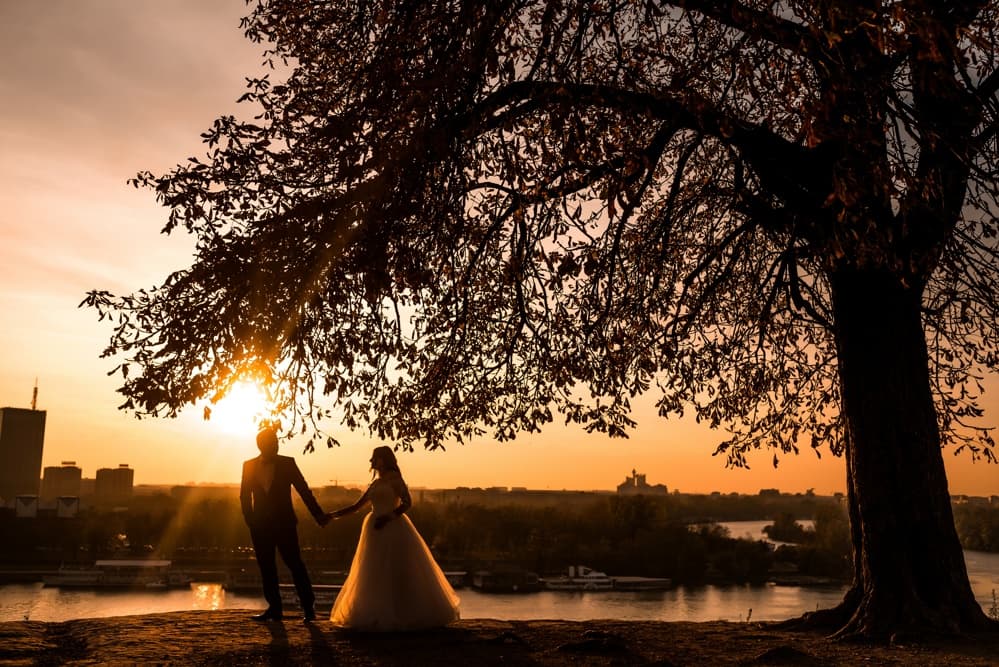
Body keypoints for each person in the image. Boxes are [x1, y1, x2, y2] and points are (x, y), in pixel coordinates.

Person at [327, 446, 460, 631]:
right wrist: (332, 515)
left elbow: (407, 503)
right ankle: (377, 612)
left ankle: (400, 613)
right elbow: (356, 506)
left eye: (375, 458)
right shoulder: (375, 483)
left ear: (384, 460)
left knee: (395, 570)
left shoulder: (395, 480)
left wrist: (389, 517)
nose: (371, 461)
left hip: (393, 527)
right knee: (373, 571)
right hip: (374, 529)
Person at [240, 425, 329, 622]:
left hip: (284, 524)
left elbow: (304, 491)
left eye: (277, 442)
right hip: (260, 526)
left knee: (295, 565)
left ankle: (308, 608)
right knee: (266, 567)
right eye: (273, 442)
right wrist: (251, 521)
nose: (277, 445)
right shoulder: (248, 465)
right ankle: (275, 608)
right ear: (261, 445)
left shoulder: (288, 463)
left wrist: (318, 515)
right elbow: (244, 496)